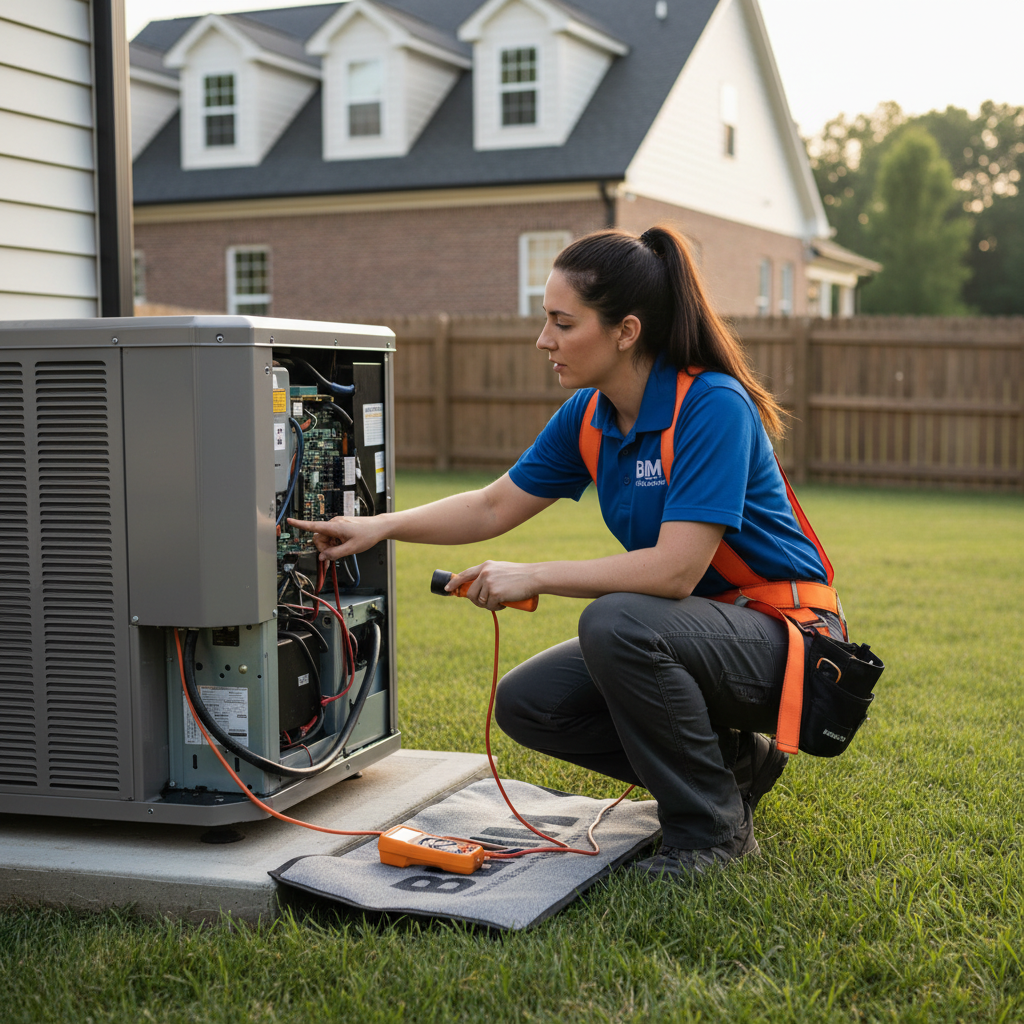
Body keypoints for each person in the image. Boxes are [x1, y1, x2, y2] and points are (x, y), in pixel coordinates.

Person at [289, 225, 846, 881]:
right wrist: (378, 527)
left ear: (626, 331)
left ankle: (711, 837)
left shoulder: (711, 406)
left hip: (791, 644)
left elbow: (674, 570)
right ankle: (734, 768)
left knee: (616, 621)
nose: (543, 340)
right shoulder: (589, 414)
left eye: (562, 322)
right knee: (532, 702)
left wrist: (535, 575)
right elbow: (495, 504)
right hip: (699, 635)